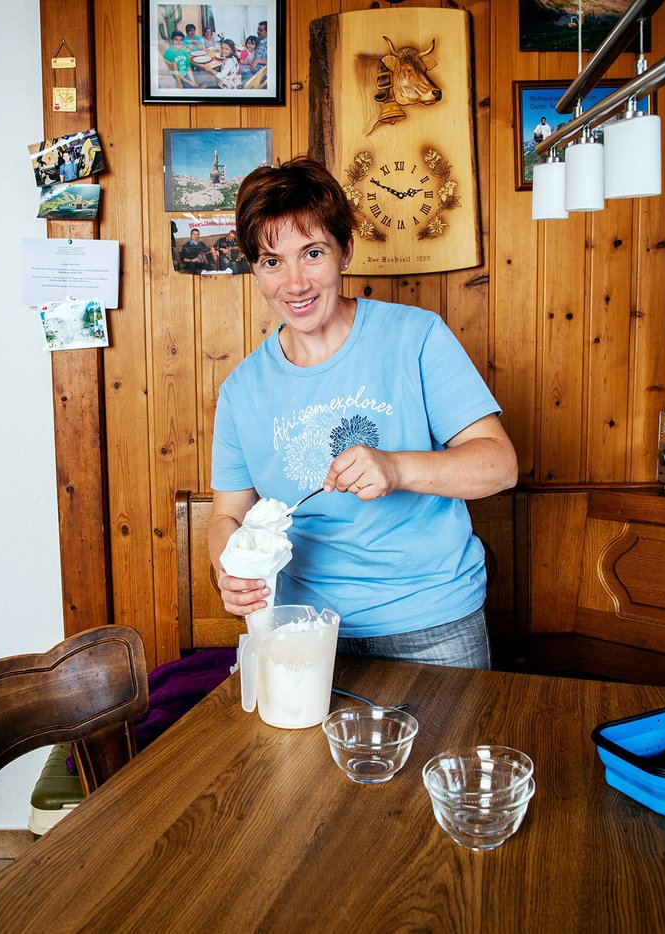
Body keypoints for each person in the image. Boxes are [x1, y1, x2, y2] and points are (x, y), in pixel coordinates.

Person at [208, 158, 518, 670]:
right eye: (271, 262)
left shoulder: (416, 336)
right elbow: (228, 515)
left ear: (345, 251)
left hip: (433, 623)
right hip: (301, 630)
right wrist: (230, 568)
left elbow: (500, 465)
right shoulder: (241, 390)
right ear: (254, 270)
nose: (295, 283)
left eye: (312, 253)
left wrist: (397, 468)